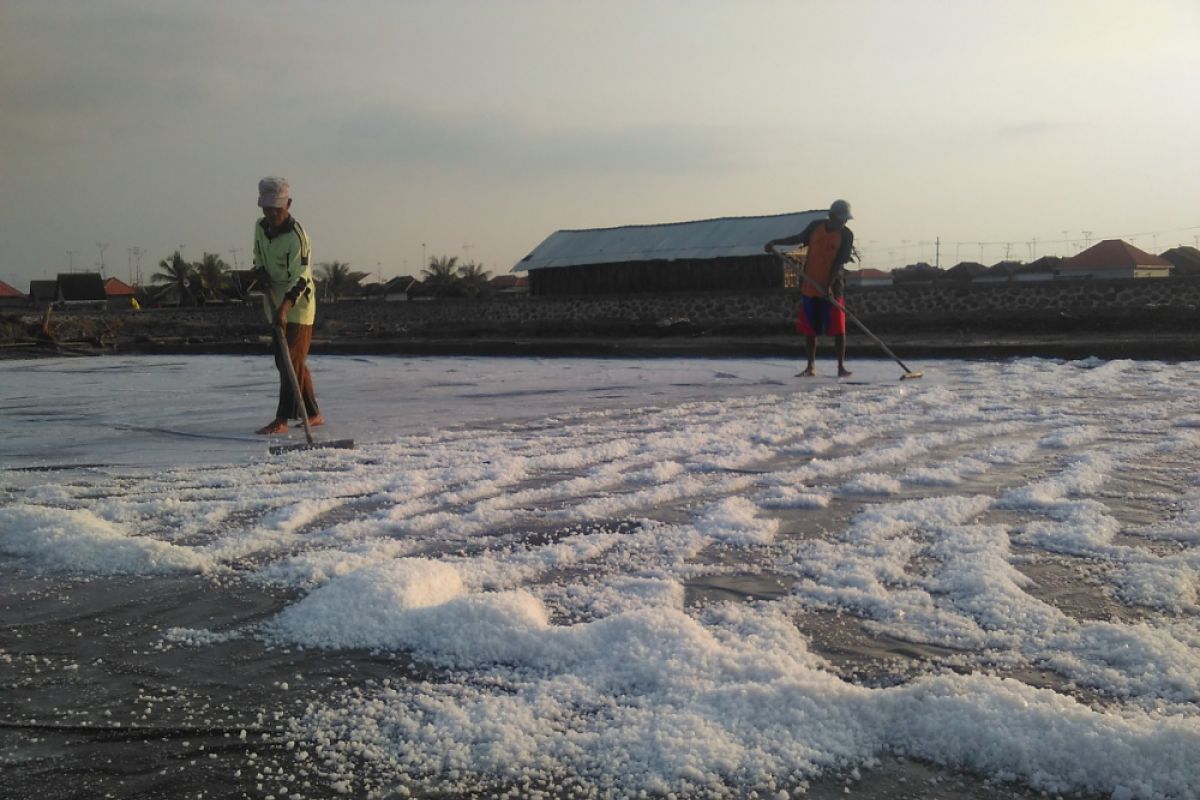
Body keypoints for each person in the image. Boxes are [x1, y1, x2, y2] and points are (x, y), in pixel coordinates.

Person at [252, 176, 322, 435]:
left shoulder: (297, 237)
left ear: (288, 205)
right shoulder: (260, 228)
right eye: (267, 208)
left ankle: (282, 419)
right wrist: (259, 273)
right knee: (289, 362)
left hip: (298, 305)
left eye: (276, 209)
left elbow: (302, 277)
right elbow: (258, 255)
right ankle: (313, 413)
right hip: (273, 301)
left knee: (291, 363)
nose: (271, 214)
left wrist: (285, 308)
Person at [765, 199, 855, 377]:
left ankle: (840, 367)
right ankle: (810, 366)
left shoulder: (846, 235)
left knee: (838, 328)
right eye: (841, 218)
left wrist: (828, 286)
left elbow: (838, 263)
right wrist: (775, 242)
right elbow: (798, 239)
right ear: (832, 216)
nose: (843, 222)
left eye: (845, 219)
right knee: (810, 329)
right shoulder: (816, 226)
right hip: (810, 284)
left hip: (833, 287)